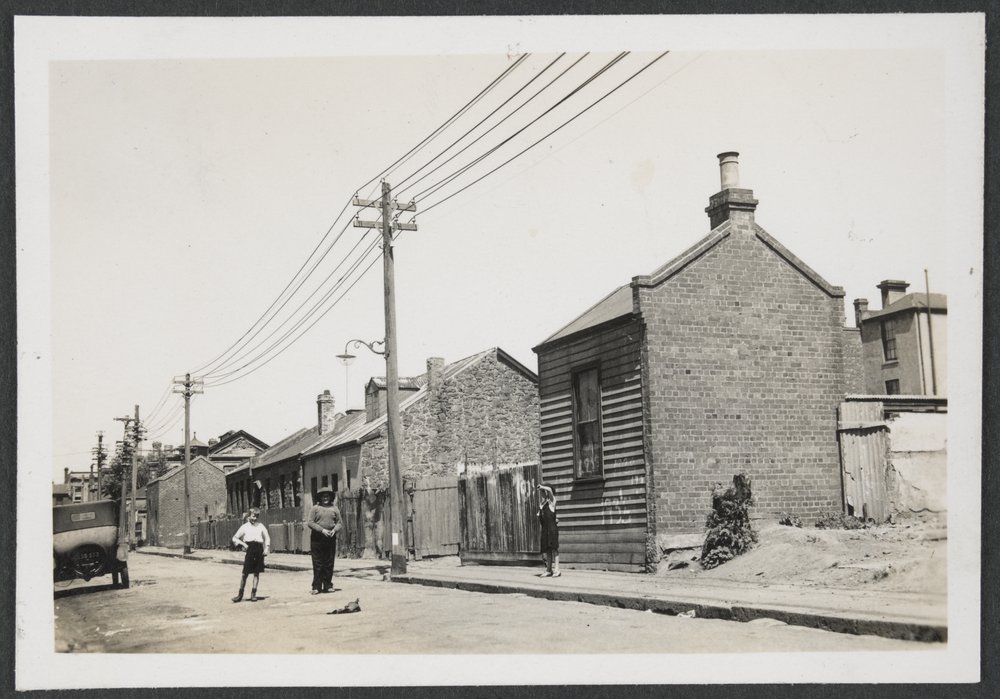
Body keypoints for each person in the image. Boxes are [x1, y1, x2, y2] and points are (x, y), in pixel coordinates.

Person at [307, 486, 342, 594]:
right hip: (317, 538)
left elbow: (339, 523)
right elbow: (310, 522)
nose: (325, 498)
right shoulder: (315, 508)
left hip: (330, 538)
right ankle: (316, 587)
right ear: (320, 498)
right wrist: (322, 530)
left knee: (329, 562)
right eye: (323, 496)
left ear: (330, 497)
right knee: (318, 563)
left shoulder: (334, 509)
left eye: (327, 496)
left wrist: (334, 530)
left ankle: (328, 585)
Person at [231, 508, 270, 602]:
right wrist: (244, 544)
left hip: (259, 549)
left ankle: (253, 594)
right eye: (253, 516)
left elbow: (267, 537)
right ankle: (240, 595)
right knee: (245, 574)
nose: (255, 518)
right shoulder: (244, 527)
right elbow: (234, 538)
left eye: (257, 516)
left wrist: (266, 548)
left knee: (256, 573)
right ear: (249, 516)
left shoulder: (261, 526)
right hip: (250, 549)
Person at [537, 483, 561, 577]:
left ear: (547, 492)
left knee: (554, 549)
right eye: (541, 492)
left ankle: (557, 570)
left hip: (552, 529)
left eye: (543, 491)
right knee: (547, 550)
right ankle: (548, 570)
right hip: (545, 529)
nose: (542, 493)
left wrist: (542, 487)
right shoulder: (542, 504)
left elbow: (550, 491)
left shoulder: (552, 501)